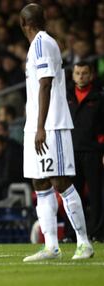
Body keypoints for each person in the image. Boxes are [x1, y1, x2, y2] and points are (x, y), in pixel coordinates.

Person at [19, 3, 93, 262]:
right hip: (37, 126)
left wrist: (40, 126)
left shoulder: (41, 43)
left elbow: (46, 83)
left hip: (50, 126)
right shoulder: (40, 44)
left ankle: (84, 242)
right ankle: (51, 246)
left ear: (22, 24)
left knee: (60, 181)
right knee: (39, 183)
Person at [67, 61, 104, 241]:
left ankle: (97, 232)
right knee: (72, 195)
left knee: (96, 193)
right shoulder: (66, 96)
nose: (81, 76)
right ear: (73, 75)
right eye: (78, 73)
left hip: (93, 152)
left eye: (84, 73)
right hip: (71, 152)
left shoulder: (99, 97)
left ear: (91, 75)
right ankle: (73, 234)